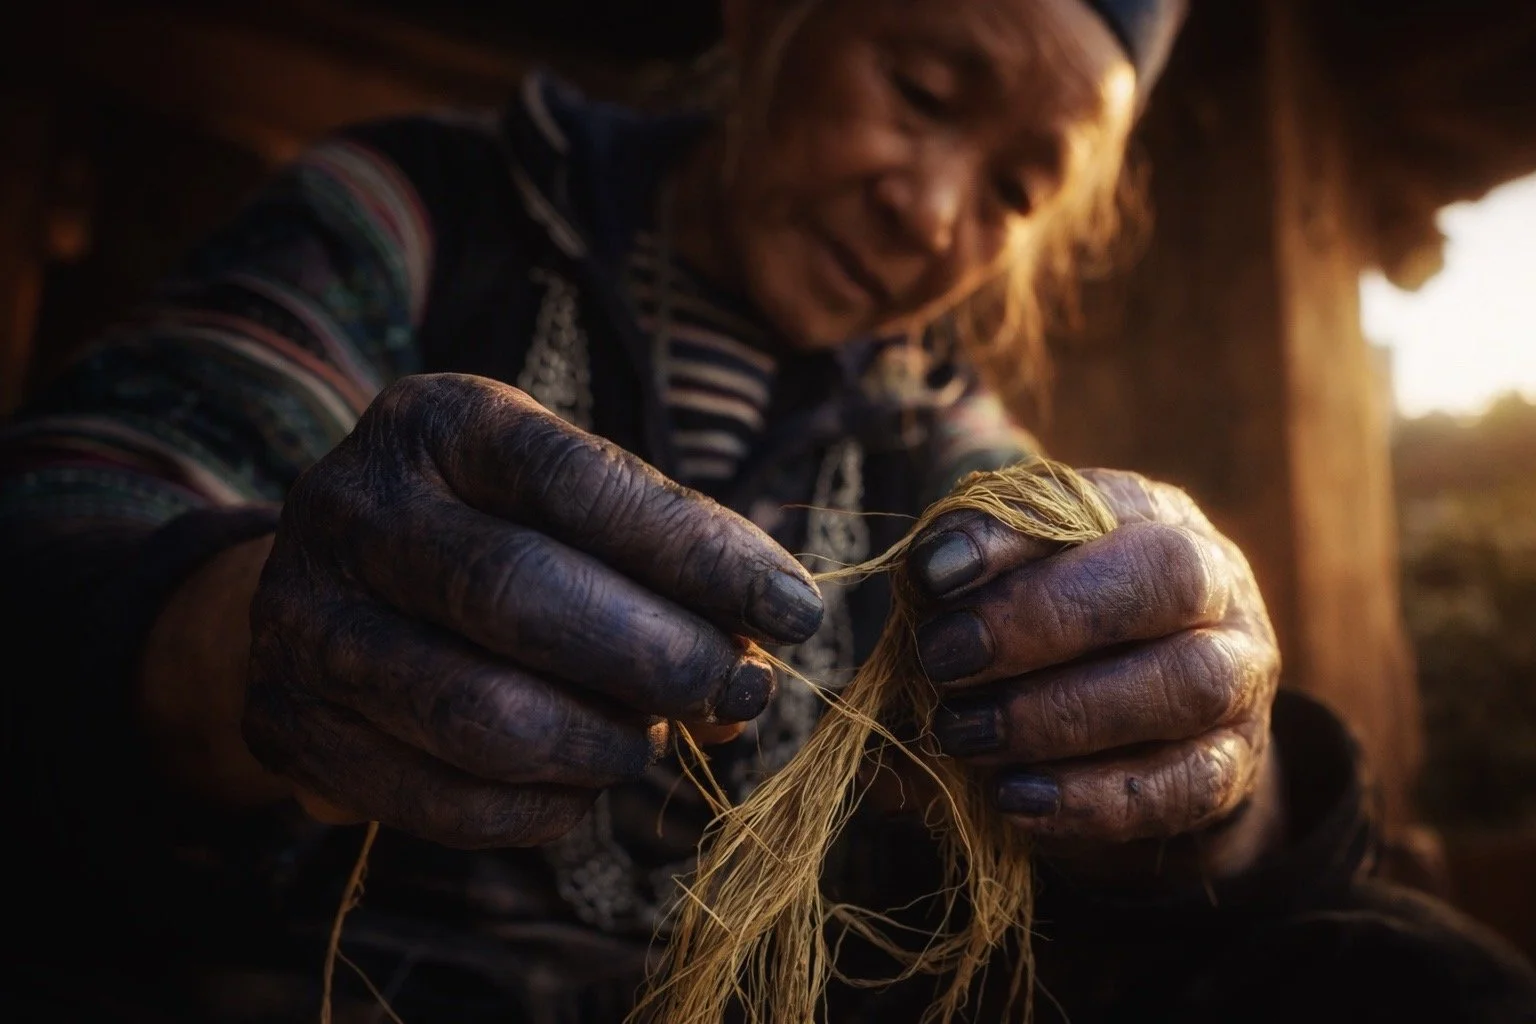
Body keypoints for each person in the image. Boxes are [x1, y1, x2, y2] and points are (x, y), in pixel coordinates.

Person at [2, 0, 1534, 1020]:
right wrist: (234, 640)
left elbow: (1114, 818)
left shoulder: (956, 454)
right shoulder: (413, 216)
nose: (935, 211)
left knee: (1409, 973)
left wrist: (1212, 787)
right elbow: (63, 523)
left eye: (1014, 191)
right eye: (921, 90)